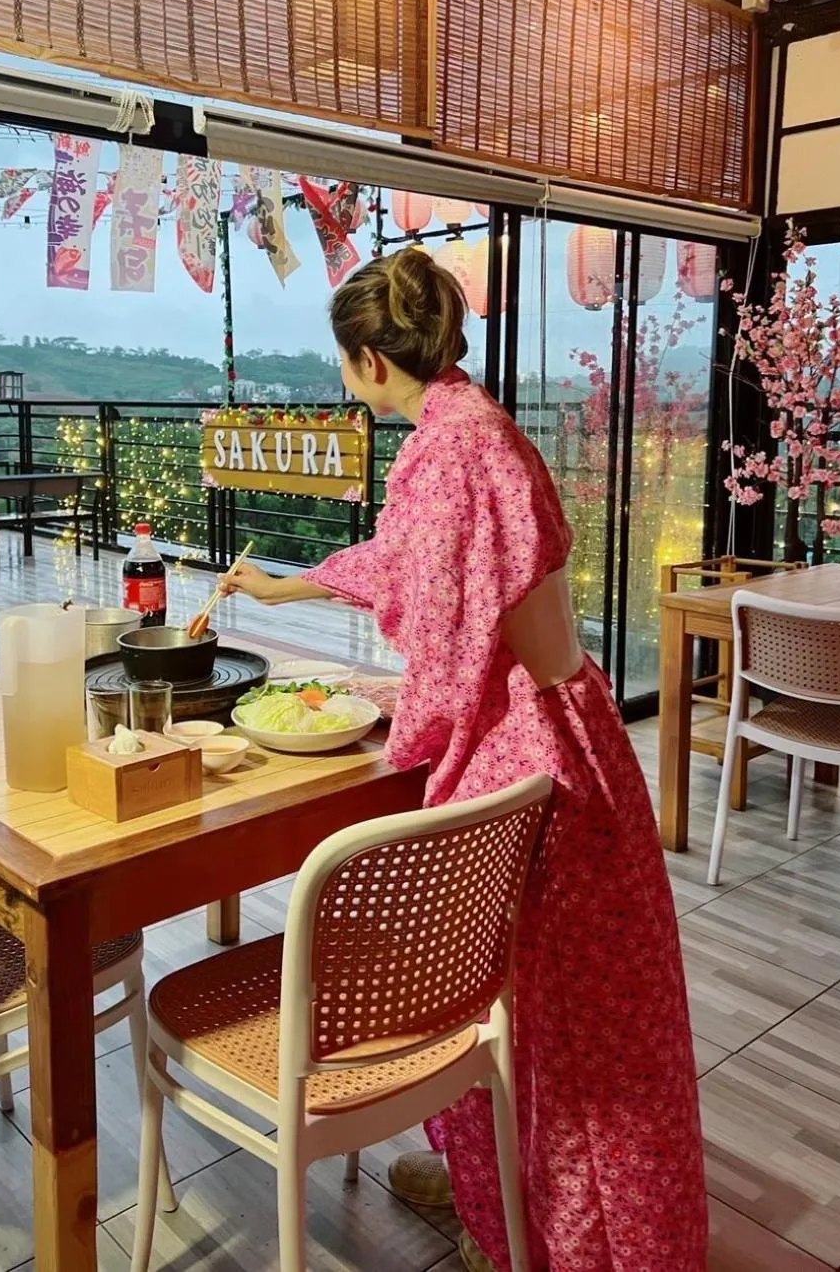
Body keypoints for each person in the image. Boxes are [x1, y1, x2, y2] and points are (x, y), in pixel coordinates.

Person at [221, 247, 708, 1272]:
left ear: (363, 359)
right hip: (566, 714)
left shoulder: (442, 452)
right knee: (550, 1006)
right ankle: (500, 1172)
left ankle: (538, 1222)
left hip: (525, 741)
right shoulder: (472, 422)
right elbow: (417, 568)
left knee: (531, 1007)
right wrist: (287, 584)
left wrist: (409, 738)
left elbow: (443, 636)